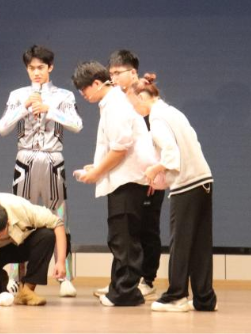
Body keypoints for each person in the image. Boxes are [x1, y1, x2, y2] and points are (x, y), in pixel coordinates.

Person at [0, 45, 83, 297]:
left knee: (60, 217)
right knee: (18, 219)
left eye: (41, 67)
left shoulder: (64, 96)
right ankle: (15, 275)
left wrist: (50, 110)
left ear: (50, 67)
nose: (36, 72)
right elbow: (2, 128)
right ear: (27, 69)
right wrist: (23, 107)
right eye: (32, 68)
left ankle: (64, 275)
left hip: (53, 159)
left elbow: (77, 124)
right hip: (24, 159)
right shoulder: (17, 95)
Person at [130, 73, 218, 312]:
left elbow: (171, 155)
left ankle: (176, 295)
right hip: (203, 180)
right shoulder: (173, 112)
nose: (135, 110)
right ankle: (204, 298)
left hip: (186, 183)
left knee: (180, 242)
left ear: (142, 97)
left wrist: (154, 169)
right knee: (200, 243)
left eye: (133, 104)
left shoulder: (157, 119)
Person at [72, 61, 157, 307]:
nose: (83, 94)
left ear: (97, 83)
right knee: (121, 237)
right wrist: (97, 166)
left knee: (124, 238)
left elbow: (121, 148)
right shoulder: (113, 103)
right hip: (124, 178)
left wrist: (97, 172)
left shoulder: (116, 105)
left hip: (127, 181)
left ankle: (125, 292)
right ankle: (120, 288)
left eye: (84, 89)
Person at [92, 49, 162, 300]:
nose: (113, 78)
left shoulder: (146, 98)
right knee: (124, 231)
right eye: (110, 74)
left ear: (133, 73)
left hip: (151, 174)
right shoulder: (115, 101)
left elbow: (157, 140)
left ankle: (147, 279)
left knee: (146, 229)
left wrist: (153, 172)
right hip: (130, 175)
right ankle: (123, 281)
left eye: (117, 73)